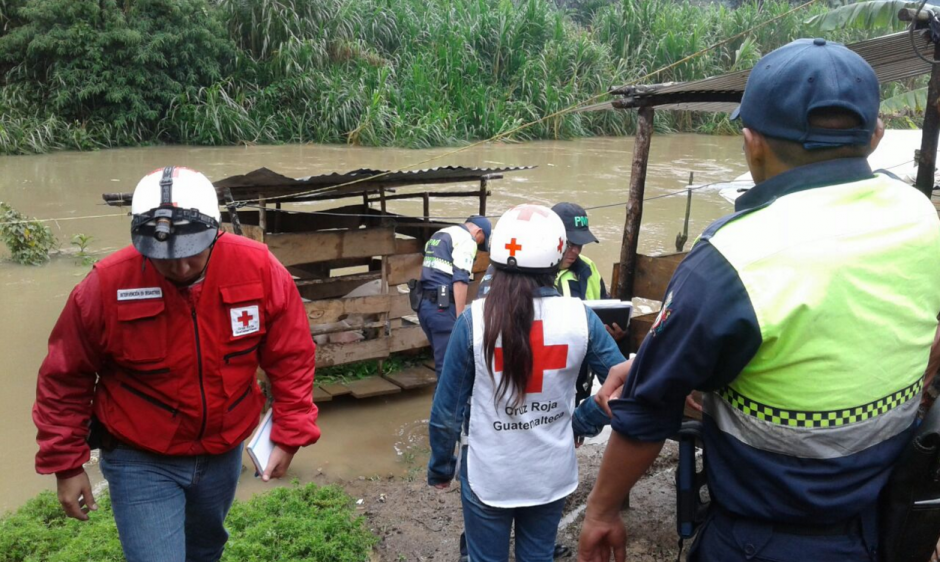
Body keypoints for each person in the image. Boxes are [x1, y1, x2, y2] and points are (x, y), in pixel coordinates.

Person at [577, 39, 940, 562]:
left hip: (765, 539)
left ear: (752, 143)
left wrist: (601, 512)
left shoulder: (731, 259)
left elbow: (648, 410)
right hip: (886, 520)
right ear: (876, 134)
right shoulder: (919, 215)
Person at [33, 167, 320, 562]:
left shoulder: (258, 269)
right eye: (165, 259)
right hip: (140, 455)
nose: (181, 268)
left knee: (205, 550)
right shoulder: (106, 286)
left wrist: (290, 431)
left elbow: (292, 355)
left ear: (215, 232)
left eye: (191, 253)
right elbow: (64, 378)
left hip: (222, 451)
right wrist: (66, 464)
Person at [428, 204, 631, 562]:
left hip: (489, 474)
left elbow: (447, 412)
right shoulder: (581, 317)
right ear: (557, 255)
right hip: (550, 472)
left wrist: (442, 467)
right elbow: (621, 387)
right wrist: (580, 423)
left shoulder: (474, 321)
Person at [417, 215, 491, 377]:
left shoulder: (441, 233)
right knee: (448, 367)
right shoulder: (467, 240)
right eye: (481, 241)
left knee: (441, 360)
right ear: (478, 231)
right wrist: (460, 319)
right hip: (442, 308)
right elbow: (460, 280)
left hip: (424, 306)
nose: (477, 245)